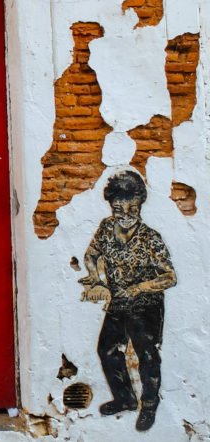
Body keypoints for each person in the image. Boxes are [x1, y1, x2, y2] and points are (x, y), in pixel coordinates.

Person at [79, 170, 177, 432]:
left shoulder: (150, 238)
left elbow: (169, 277)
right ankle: (125, 399)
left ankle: (149, 405)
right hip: (118, 302)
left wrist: (137, 289)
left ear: (140, 204)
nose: (124, 214)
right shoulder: (106, 228)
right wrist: (95, 277)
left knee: (147, 356)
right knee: (107, 350)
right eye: (117, 208)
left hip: (146, 305)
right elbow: (90, 255)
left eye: (131, 207)